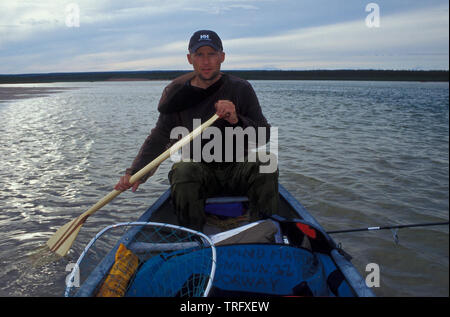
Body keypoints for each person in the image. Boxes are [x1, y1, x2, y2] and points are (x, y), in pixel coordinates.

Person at [115, 30, 278, 231]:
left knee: (266, 161)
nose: (206, 61)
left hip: (237, 169)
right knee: (183, 169)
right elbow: (160, 137)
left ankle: (263, 229)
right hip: (199, 173)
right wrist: (136, 172)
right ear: (190, 59)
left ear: (222, 57)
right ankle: (193, 235)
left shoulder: (241, 88)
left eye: (212, 54)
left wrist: (237, 120)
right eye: (199, 54)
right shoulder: (176, 93)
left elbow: (264, 136)